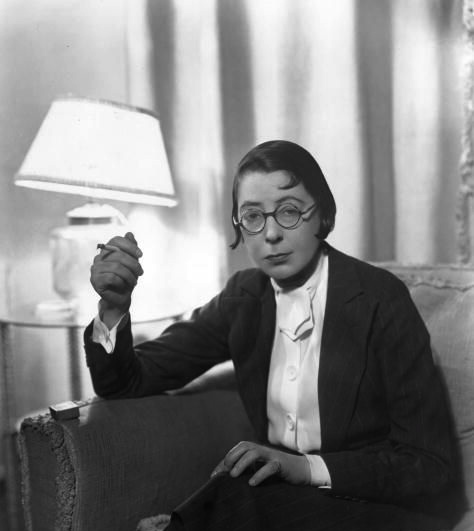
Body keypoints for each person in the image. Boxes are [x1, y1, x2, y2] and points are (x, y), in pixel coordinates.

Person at [85, 140, 455, 531]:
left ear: (322, 216)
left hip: (383, 508)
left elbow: (429, 466)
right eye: (253, 217)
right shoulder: (242, 298)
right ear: (239, 228)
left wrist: (306, 468)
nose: (272, 233)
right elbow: (126, 381)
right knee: (239, 486)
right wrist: (114, 307)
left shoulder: (380, 299)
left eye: (290, 212)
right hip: (285, 503)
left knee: (239, 492)